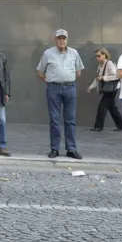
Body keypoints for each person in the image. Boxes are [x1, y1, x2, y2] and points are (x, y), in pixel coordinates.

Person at [36, 29, 84, 159]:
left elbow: (78, 72)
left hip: (70, 88)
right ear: (55, 40)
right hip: (54, 89)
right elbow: (40, 71)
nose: (61, 41)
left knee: (70, 120)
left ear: (67, 39)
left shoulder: (74, 53)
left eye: (64, 38)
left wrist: (67, 79)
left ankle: (71, 149)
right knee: (55, 120)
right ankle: (55, 149)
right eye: (59, 38)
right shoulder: (48, 53)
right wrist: (51, 80)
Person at [89, 48, 122, 132]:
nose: (97, 58)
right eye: (96, 56)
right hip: (108, 89)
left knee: (102, 107)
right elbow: (97, 78)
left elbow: (117, 76)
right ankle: (121, 125)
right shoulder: (100, 65)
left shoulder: (109, 63)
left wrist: (104, 78)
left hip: (112, 89)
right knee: (112, 108)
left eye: (99, 56)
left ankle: (98, 126)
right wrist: (91, 87)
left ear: (105, 55)